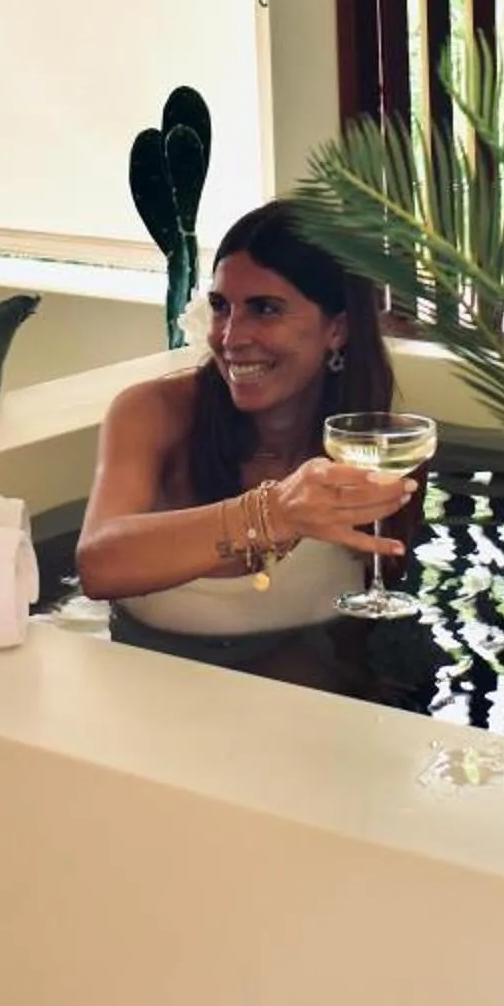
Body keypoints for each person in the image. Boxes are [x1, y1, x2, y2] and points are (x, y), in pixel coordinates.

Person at [74, 200, 414, 667]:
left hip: (305, 697)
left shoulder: (377, 447)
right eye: (220, 307)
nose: (231, 337)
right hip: (149, 695)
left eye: (266, 310)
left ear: (337, 329)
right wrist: (274, 513)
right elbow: (98, 564)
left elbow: (377, 619)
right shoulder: (152, 413)